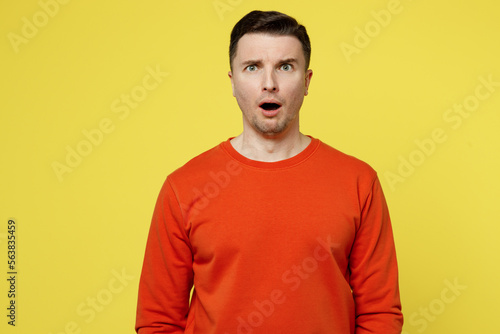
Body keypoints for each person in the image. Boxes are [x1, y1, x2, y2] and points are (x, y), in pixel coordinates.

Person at [135, 10, 403, 334]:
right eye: (253, 67)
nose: (269, 84)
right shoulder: (183, 188)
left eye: (285, 66)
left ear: (306, 82)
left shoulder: (359, 182)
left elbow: (380, 315)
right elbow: (158, 320)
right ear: (233, 82)